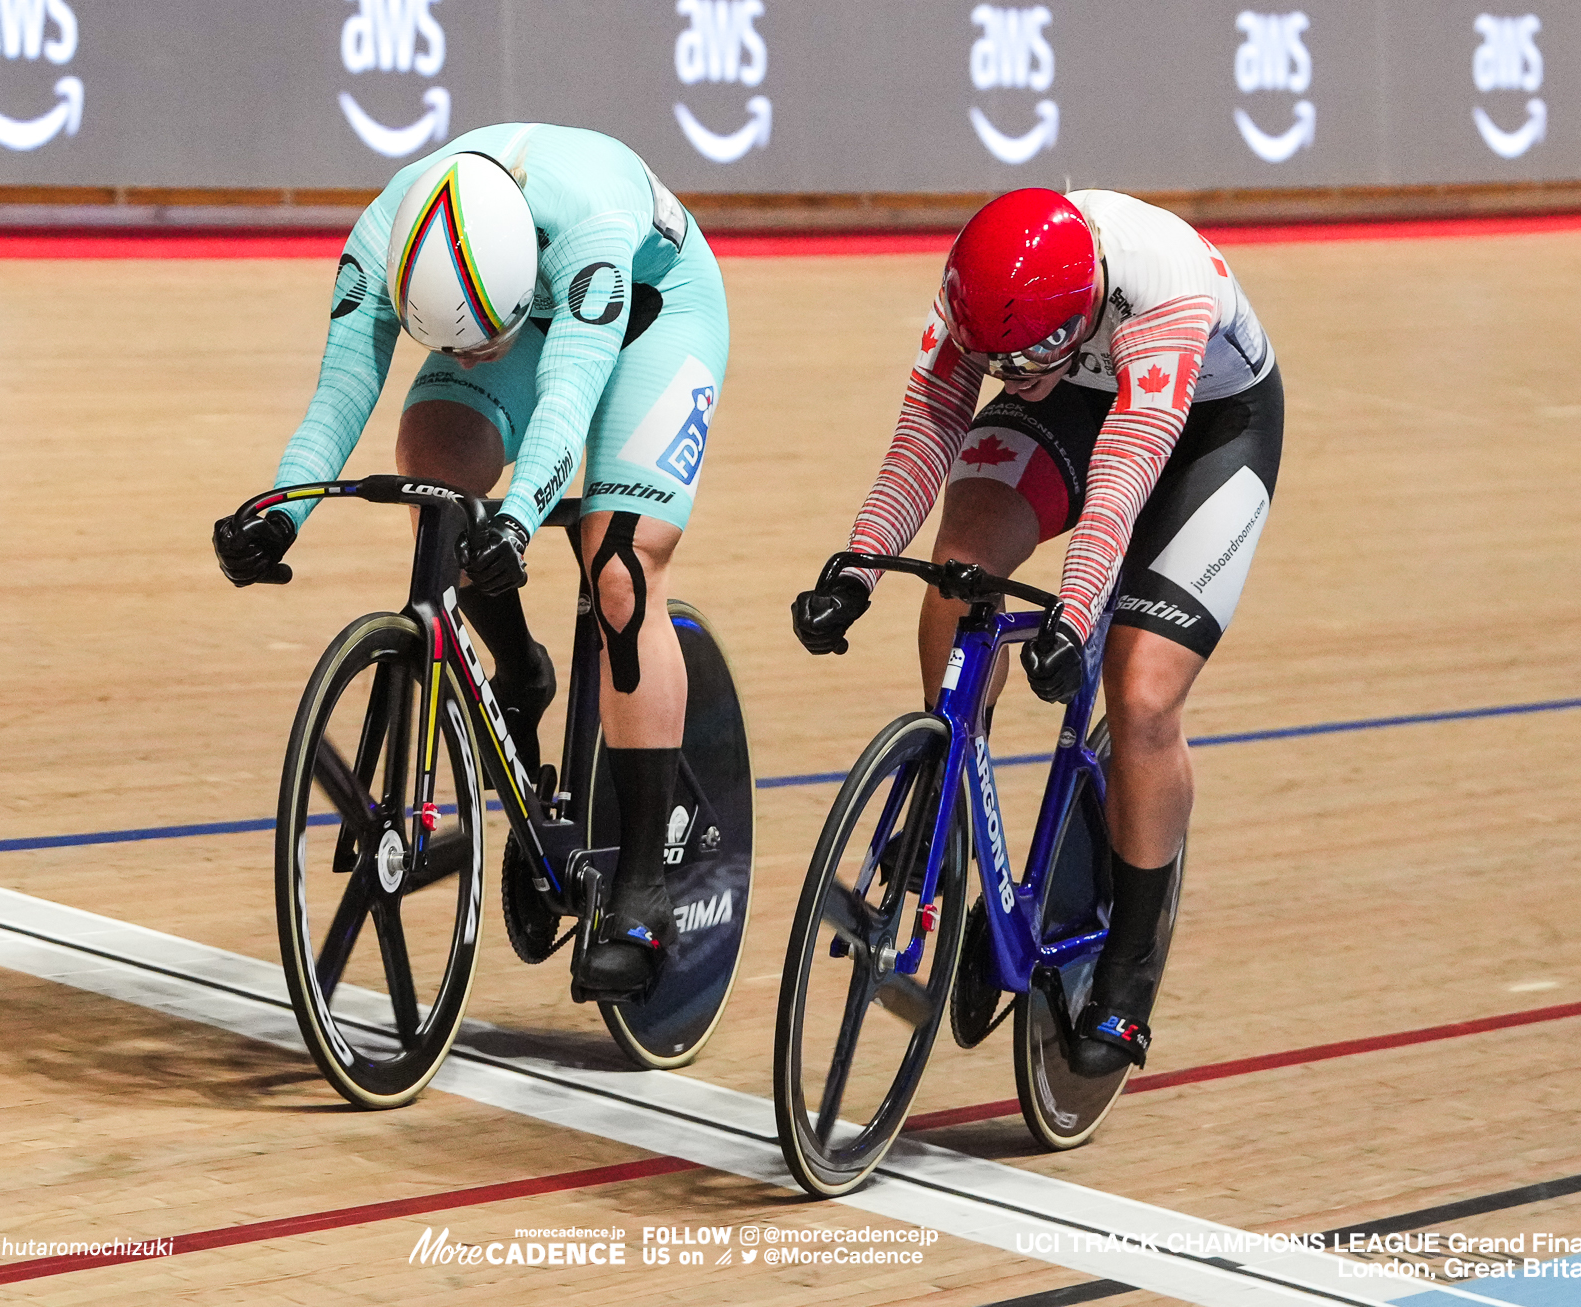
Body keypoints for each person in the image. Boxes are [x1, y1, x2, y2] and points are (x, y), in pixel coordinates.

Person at [212, 124, 729, 1002]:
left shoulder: (591, 230)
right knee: (434, 469)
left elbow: (565, 411)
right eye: (447, 348)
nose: (464, 365)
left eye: (474, 346)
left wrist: (522, 521)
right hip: (525, 305)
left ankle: (641, 889)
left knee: (616, 566)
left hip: (651, 312)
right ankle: (519, 671)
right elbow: (340, 396)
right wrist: (279, 514)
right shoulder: (384, 236)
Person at [792, 187, 1282, 1076]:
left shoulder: (1162, 288)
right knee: (961, 563)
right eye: (997, 364)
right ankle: (946, 781)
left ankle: (1129, 968)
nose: (1003, 376)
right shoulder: (975, 291)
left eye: (1019, 361)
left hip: (1209, 426)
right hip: (1073, 395)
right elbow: (925, 433)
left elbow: (1125, 477)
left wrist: (1077, 613)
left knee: (1139, 693)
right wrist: (857, 564)